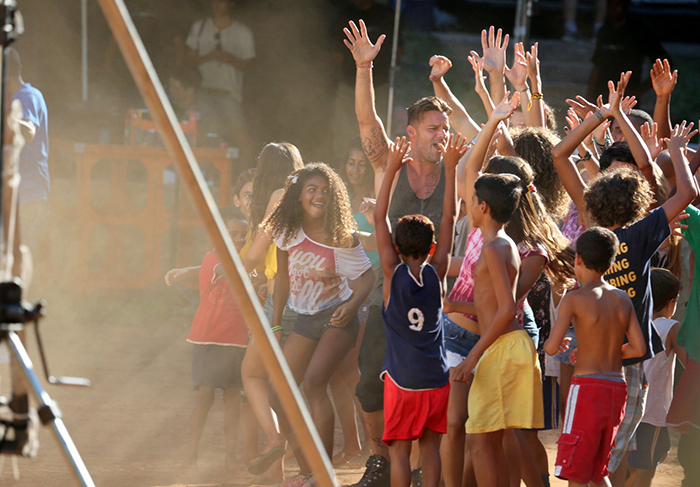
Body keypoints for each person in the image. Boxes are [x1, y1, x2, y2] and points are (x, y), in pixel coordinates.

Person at [552, 72, 699, 487]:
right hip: (629, 367)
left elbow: (560, 155)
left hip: (587, 360)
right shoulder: (638, 235)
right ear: (639, 203)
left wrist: (600, 117)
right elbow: (683, 195)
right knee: (609, 459)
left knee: (588, 460)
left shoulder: (592, 228)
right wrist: (679, 154)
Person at [344, 19, 454, 487]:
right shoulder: (391, 161)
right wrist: (364, 68)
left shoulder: (453, 170)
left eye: (445, 127)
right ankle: (380, 459)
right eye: (434, 128)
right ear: (411, 132)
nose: (443, 135)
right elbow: (367, 122)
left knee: (429, 401)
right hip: (388, 300)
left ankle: (416, 471)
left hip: (432, 304)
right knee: (370, 385)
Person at [265, 163, 375, 487]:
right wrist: (275, 325)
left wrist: (352, 305)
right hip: (304, 318)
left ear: (333, 198)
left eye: (325, 191)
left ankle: (323, 475)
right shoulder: (287, 230)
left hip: (338, 317)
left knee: (314, 383)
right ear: (299, 195)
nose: (319, 196)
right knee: (279, 394)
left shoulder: (342, 236)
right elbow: (282, 279)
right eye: (312, 189)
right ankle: (308, 471)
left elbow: (367, 277)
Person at [374, 134, 467, 487]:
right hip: (436, 377)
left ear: (396, 246)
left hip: (402, 379)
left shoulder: (390, 270)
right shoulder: (438, 270)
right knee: (430, 449)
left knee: (400, 451)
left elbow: (379, 216)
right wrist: (452, 165)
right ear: (431, 246)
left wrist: (392, 171)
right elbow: (449, 217)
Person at [451, 169, 544, 487]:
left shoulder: (494, 248)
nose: (469, 204)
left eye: (472, 200)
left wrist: (471, 357)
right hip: (508, 347)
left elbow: (506, 309)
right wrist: (453, 307)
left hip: (502, 350)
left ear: (484, 207)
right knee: (495, 440)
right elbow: (492, 308)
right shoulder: (501, 244)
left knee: (480, 441)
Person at [543, 227, 646, 486]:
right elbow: (638, 349)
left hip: (587, 389)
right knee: (599, 469)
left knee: (576, 470)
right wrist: (604, 351)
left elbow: (552, 348)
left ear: (578, 259)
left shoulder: (574, 299)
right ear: (610, 262)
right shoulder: (622, 298)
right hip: (616, 389)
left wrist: (557, 343)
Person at [241, 142, 304, 481]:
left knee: (252, 375)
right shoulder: (309, 195)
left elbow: (256, 253)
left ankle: (273, 437)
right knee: (283, 386)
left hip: (281, 300)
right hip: (310, 297)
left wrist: (233, 267)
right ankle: (285, 472)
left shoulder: (280, 195)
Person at [180, 207, 253, 470]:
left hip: (236, 340)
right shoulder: (213, 258)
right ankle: (192, 453)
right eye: (232, 234)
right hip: (208, 339)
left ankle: (230, 458)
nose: (239, 239)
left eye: (244, 234)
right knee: (205, 398)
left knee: (233, 399)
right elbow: (232, 273)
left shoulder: (245, 261)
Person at [628, 268, 686, 487]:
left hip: (628, 408)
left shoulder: (631, 321)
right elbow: (689, 362)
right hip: (650, 412)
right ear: (671, 303)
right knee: (645, 469)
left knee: (638, 460)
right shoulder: (670, 327)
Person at [185, 0, 255, 149]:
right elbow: (189, 60)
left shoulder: (243, 32)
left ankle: (246, 172)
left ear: (231, 3)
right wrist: (208, 56)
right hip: (202, 93)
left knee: (243, 140)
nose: (217, 6)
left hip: (229, 95)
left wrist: (229, 58)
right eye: (214, 2)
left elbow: (249, 65)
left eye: (221, 2)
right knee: (201, 139)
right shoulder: (200, 27)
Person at [6, 48, 49, 251]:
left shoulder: (26, 96)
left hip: (29, 196)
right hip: (21, 195)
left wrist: (7, 120)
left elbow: (29, 129)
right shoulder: (17, 98)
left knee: (20, 255)